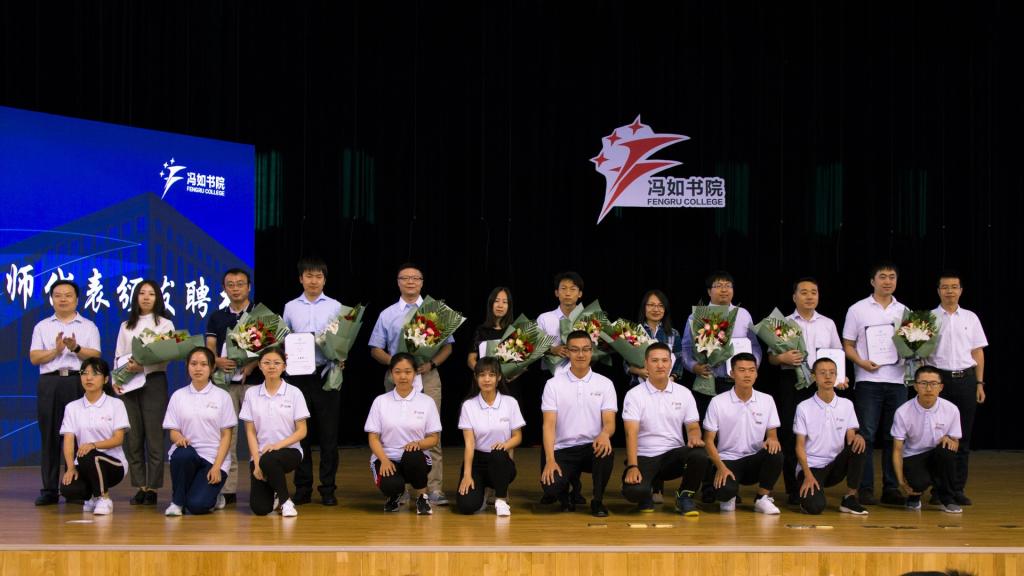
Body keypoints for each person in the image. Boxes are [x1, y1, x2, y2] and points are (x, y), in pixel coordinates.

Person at [368, 262, 453, 505]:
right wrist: (399, 365)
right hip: (397, 377)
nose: (410, 282)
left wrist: (431, 363)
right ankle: (400, 486)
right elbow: (375, 349)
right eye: (405, 278)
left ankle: (433, 487)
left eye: (415, 278)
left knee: (431, 433)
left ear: (422, 282)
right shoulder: (387, 314)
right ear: (398, 282)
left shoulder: (436, 312)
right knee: (394, 430)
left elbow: (448, 347)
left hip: (428, 376)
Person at [768, 277, 847, 505]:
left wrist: (840, 377)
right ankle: (793, 488)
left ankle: (814, 478)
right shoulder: (783, 323)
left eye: (814, 292)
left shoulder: (828, 323)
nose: (809, 296)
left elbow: (836, 354)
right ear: (794, 297)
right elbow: (771, 358)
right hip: (791, 382)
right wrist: (782, 357)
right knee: (790, 433)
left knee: (815, 432)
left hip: (820, 382)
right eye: (804, 292)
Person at [30, 279, 101, 505]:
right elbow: (34, 357)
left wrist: (75, 348)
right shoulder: (42, 326)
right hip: (50, 382)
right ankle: (49, 490)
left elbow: (96, 356)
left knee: (79, 435)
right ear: (51, 299)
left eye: (68, 295)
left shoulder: (88, 326)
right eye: (58, 295)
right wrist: (56, 350)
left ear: (77, 299)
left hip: (77, 382)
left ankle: (76, 489)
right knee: (50, 436)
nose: (63, 299)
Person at [842, 262, 908, 506]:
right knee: (866, 436)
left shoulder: (904, 311)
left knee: (894, 436)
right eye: (882, 277)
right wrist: (862, 362)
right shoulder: (857, 309)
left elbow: (912, 344)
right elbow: (847, 345)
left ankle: (891, 487)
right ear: (873, 281)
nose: (887, 281)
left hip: (898, 381)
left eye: (892, 277)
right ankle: (865, 487)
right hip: (868, 381)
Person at [282, 256, 343, 506]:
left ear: (324, 280)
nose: (314, 281)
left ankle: (328, 489)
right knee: (301, 435)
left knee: (329, 436)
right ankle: (303, 488)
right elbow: (284, 338)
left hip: (326, 374)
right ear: (301, 279)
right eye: (309, 276)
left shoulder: (336, 306)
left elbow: (342, 339)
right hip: (297, 377)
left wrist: (341, 355)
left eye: (318, 276)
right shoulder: (290, 307)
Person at [621, 343, 708, 516]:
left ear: (670, 363)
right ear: (646, 364)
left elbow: (693, 427)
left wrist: (694, 437)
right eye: (655, 361)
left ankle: (684, 497)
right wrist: (632, 466)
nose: (660, 365)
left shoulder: (684, 393)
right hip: (645, 456)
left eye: (664, 360)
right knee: (634, 492)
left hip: (672, 456)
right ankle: (646, 492)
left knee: (699, 454)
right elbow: (631, 433)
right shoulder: (634, 395)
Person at [540, 330, 617, 517]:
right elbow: (548, 425)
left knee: (606, 449)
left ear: (592, 351)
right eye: (575, 350)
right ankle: (565, 494)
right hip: (563, 448)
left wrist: (604, 434)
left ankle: (597, 501)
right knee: (551, 487)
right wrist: (550, 460)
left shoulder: (605, 384)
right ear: (567, 352)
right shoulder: (553, 384)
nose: (581, 354)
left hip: (592, 446)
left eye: (585, 349)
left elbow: (609, 422)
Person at [926, 272, 987, 505]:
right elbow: (919, 352)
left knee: (962, 437)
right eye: (945, 287)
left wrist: (979, 383)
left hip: (966, 380)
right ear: (938, 291)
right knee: (936, 437)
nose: (949, 291)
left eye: (954, 287)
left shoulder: (971, 317)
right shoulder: (928, 318)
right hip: (938, 382)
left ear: (961, 290)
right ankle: (937, 490)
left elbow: (977, 352)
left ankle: (957, 489)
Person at [113, 279, 173, 506]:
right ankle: (140, 486)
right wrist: (116, 380)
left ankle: (153, 487)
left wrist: (144, 368)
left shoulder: (165, 324)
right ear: (136, 297)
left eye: (151, 294)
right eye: (142, 293)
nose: (146, 297)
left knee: (155, 436)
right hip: (129, 383)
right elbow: (119, 355)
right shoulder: (125, 325)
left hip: (153, 381)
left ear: (158, 298)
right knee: (133, 437)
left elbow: (166, 356)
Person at [204, 268, 261, 506]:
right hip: (225, 384)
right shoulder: (217, 317)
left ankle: (262, 485)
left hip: (253, 383)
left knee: (259, 435)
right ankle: (228, 489)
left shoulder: (259, 314)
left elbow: (269, 348)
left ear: (249, 287)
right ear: (224, 289)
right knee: (228, 435)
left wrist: (251, 366)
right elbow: (209, 347)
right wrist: (217, 361)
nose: (235, 288)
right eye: (230, 284)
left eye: (240, 284)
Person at [702, 353, 783, 514]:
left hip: (754, 459)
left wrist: (772, 439)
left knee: (776, 453)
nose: (747, 374)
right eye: (742, 370)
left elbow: (772, 434)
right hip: (728, 460)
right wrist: (720, 467)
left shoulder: (767, 400)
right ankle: (729, 495)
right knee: (725, 495)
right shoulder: (718, 402)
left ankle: (762, 498)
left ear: (757, 373)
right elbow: (708, 440)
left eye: (751, 370)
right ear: (732, 374)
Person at [162, 347, 237, 516]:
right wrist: (179, 438)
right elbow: (173, 431)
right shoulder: (178, 396)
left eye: (203, 364)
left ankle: (213, 496)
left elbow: (227, 436)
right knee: (183, 454)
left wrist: (217, 467)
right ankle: (177, 502)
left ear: (212, 368)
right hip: (188, 455)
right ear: (187, 366)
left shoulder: (222, 396)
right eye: (193, 364)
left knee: (197, 506)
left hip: (213, 458)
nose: (198, 368)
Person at [364, 353, 442, 515]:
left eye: (407, 372)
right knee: (391, 484)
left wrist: (418, 444)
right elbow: (373, 438)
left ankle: (422, 497)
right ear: (391, 374)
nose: (403, 376)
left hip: (415, 458)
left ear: (415, 374)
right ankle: (394, 496)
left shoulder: (426, 402)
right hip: (388, 457)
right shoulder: (380, 401)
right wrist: (384, 460)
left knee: (413, 455)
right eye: (398, 372)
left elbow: (434, 438)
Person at [682, 271, 763, 417]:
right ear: (709, 291)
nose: (724, 289)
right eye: (718, 286)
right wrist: (695, 367)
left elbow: (755, 345)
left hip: (738, 382)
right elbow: (686, 348)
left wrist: (753, 365)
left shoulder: (743, 314)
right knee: (709, 425)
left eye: (728, 285)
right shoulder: (697, 316)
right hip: (709, 381)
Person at [793, 357, 868, 515]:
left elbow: (851, 440)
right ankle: (805, 497)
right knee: (815, 508)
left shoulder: (846, 404)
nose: (828, 376)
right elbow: (799, 446)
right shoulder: (803, 407)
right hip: (812, 467)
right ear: (814, 376)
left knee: (859, 445)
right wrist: (807, 475)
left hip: (835, 465)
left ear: (836, 376)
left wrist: (858, 437)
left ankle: (850, 498)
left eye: (832, 373)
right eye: (822, 373)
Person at [239, 348, 309, 517]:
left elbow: (302, 431)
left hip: (289, 451)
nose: (271, 366)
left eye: (277, 363)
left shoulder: (294, 392)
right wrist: (256, 463)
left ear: (284, 367)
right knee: (260, 508)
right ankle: (275, 488)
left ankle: (286, 501)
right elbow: (250, 432)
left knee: (270, 458)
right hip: (261, 455)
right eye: (267, 363)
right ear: (260, 366)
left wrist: (277, 446)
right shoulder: (251, 393)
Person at [59, 357, 129, 515]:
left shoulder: (116, 404)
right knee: (69, 488)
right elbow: (68, 440)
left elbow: (118, 439)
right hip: (85, 463)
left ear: (106, 379)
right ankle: (92, 497)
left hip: (113, 464)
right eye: (85, 373)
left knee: (88, 454)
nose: (88, 378)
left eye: (95, 374)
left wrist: (93, 445)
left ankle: (104, 498)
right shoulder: (72, 407)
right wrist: (70, 468)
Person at [455, 356, 525, 516]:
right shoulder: (468, 405)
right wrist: (467, 474)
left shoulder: (510, 402)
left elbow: (518, 436)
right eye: (482, 375)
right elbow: (470, 444)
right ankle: (483, 491)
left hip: (501, 462)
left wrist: (505, 445)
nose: (487, 379)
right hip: (477, 461)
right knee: (467, 506)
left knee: (498, 454)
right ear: (476, 377)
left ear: (499, 377)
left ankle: (501, 499)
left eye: (491, 375)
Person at [892, 366, 963, 513]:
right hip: (913, 456)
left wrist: (950, 440)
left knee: (947, 451)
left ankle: (948, 498)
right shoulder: (903, 411)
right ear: (915, 386)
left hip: (937, 453)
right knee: (917, 482)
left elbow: (956, 443)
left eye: (933, 384)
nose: (928, 389)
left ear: (941, 387)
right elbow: (897, 450)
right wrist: (900, 481)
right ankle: (914, 496)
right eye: (923, 383)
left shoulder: (951, 409)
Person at [626, 290, 684, 386]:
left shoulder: (673, 334)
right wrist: (639, 371)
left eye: (660, 306)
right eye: (651, 305)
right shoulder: (634, 332)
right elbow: (626, 363)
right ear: (644, 307)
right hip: (639, 386)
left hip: (666, 386)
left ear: (665, 309)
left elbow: (679, 361)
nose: (656, 309)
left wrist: (671, 379)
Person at [536, 271, 585, 374]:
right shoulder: (544, 318)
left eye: (572, 289)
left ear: (580, 293)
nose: (568, 293)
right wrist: (552, 349)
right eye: (563, 288)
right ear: (556, 293)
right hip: (550, 374)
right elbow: (533, 346)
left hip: (581, 373)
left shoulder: (588, 319)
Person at [467, 287, 513, 371]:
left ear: (509, 306)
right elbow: (471, 360)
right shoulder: (481, 330)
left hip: (508, 379)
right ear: (491, 303)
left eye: (504, 302)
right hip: (485, 378)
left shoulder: (513, 331)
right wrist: (484, 374)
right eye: (496, 301)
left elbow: (521, 362)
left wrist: (513, 373)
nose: (500, 305)